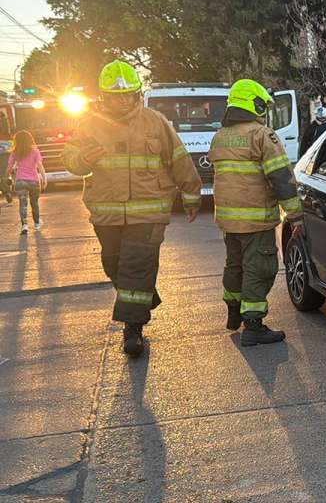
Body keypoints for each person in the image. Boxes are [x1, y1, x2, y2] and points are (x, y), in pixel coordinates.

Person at [61, 60, 202, 357]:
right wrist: (84, 157)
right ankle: (142, 296)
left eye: (129, 95)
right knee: (114, 266)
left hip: (148, 212)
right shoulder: (88, 126)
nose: (123, 100)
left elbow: (179, 158)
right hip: (106, 213)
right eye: (115, 96)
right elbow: (70, 160)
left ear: (138, 93)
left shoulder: (156, 122)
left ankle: (133, 328)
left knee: (136, 265)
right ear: (103, 97)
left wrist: (191, 194)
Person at [208, 79, 303, 346]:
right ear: (256, 105)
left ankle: (233, 314)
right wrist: (294, 214)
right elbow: (281, 178)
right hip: (256, 219)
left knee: (234, 266)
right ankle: (253, 326)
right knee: (259, 269)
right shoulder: (262, 135)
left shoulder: (220, 136)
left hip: (229, 221)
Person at [4, 130, 47, 234]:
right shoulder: (35, 151)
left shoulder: (15, 153)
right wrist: (44, 179)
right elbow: (40, 165)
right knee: (34, 203)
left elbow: (9, 167)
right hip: (34, 181)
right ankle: (37, 223)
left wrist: (7, 177)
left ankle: (24, 226)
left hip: (20, 181)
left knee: (23, 204)